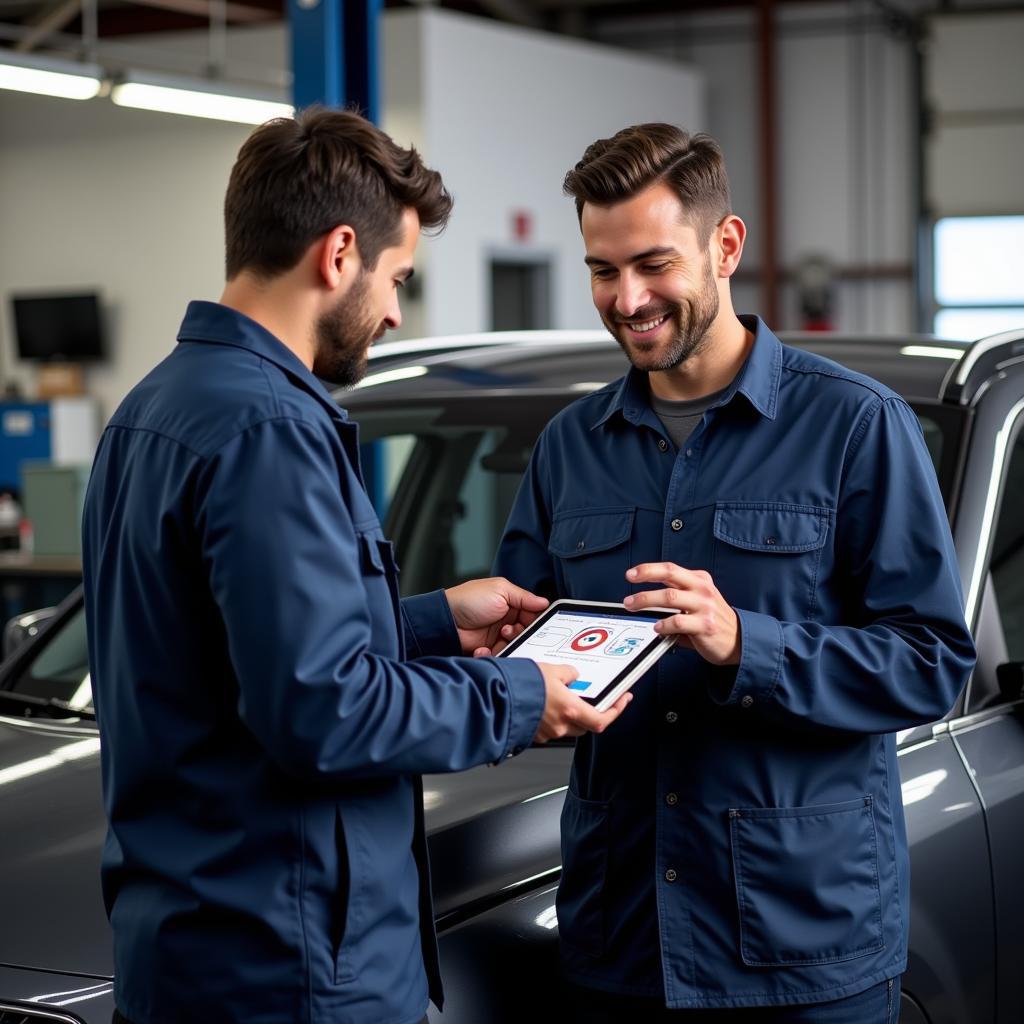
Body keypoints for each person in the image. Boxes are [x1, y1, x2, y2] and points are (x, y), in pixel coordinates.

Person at [81, 107, 629, 1024]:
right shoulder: (272, 431)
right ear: (339, 254)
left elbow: (231, 652)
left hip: (189, 953)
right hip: (289, 971)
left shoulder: (155, 408)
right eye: (397, 278)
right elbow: (324, 711)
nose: (394, 312)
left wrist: (428, 622)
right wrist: (524, 695)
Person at [493, 123, 976, 1022]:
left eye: (652, 264)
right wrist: (516, 684)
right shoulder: (569, 449)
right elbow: (526, 648)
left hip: (800, 950)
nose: (626, 298)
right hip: (621, 937)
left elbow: (931, 663)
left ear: (725, 246)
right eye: (603, 270)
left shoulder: (855, 428)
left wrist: (746, 643)